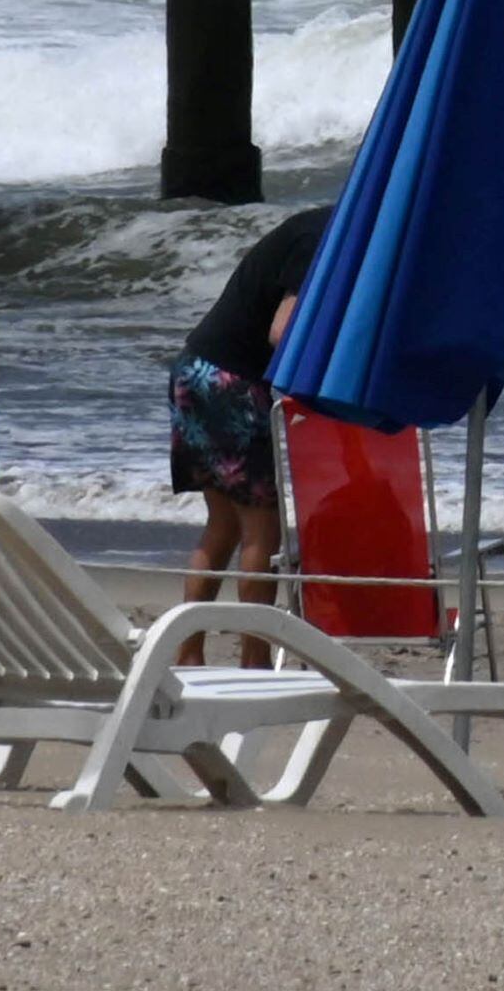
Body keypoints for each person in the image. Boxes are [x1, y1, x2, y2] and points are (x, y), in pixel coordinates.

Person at [166, 204, 330, 666]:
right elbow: (283, 331)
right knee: (263, 529)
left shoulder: (313, 225)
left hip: (194, 369)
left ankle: (189, 652)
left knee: (222, 525)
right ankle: (255, 660)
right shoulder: (319, 238)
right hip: (230, 383)